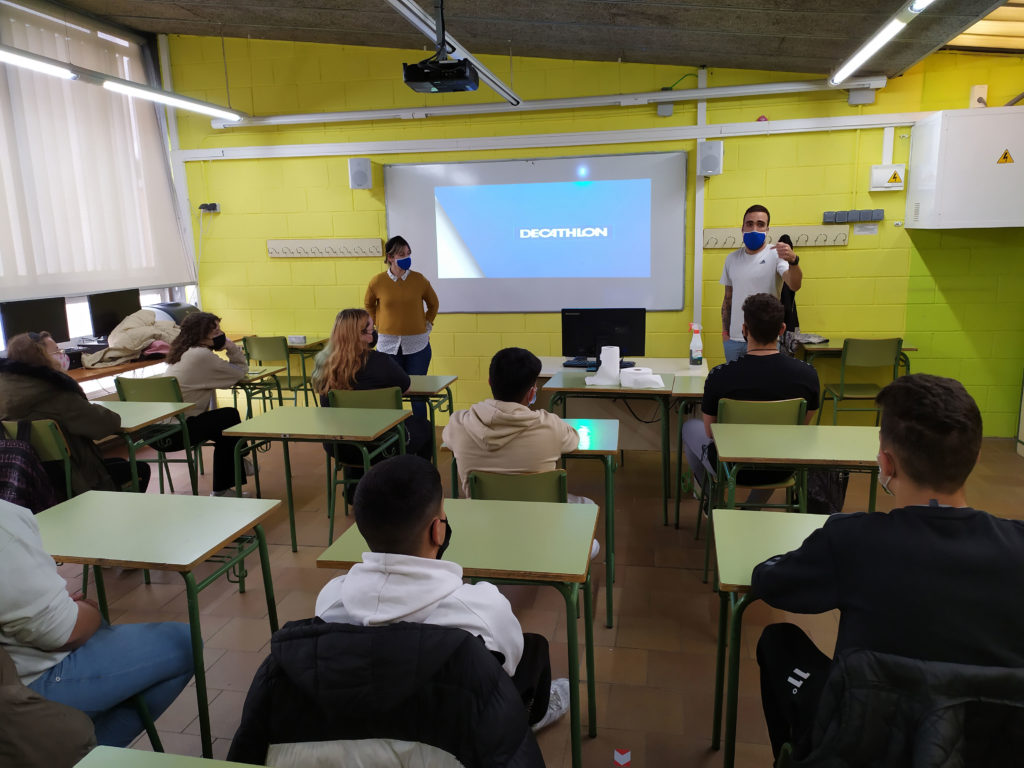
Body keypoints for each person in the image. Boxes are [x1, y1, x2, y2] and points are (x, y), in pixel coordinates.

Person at [750, 374, 1024, 759]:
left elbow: (770, 583)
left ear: (886, 463)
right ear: (975, 458)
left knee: (778, 642)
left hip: (860, 742)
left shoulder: (851, 540)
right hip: (983, 746)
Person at [315, 454, 570, 731]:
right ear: (437, 531)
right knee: (533, 650)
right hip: (456, 733)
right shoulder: (481, 610)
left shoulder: (330, 603)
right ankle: (534, 717)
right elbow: (510, 664)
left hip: (368, 724)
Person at [0, 498, 194, 747]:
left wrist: (59, 609)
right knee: (183, 642)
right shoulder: (5, 525)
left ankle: (75, 746)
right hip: (21, 690)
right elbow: (62, 633)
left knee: (99, 635)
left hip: (15, 675)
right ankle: (85, 755)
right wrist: (86, 611)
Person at [683, 293, 819, 505]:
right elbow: (801, 427)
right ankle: (751, 508)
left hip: (730, 466)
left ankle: (715, 502)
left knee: (689, 427)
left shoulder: (719, 376)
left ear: (744, 330)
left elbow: (710, 432)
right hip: (782, 467)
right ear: (782, 329)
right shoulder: (808, 375)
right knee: (779, 443)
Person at [0, 331, 151, 497]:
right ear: (42, 357)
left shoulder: (6, 395)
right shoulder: (56, 394)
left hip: (33, 482)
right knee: (140, 470)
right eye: (56, 352)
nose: (61, 355)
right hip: (74, 483)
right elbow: (107, 424)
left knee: (118, 462)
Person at [310, 307, 433, 461]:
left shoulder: (323, 364)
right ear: (362, 335)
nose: (375, 333)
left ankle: (357, 476)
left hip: (340, 447)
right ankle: (415, 473)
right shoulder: (381, 361)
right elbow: (406, 387)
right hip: (383, 445)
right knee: (425, 426)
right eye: (372, 329)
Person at [163, 312, 250, 496]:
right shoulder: (201, 355)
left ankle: (238, 462)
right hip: (177, 432)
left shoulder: (182, 352)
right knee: (229, 417)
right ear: (200, 334)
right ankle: (229, 477)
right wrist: (231, 347)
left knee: (224, 425)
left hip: (158, 433)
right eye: (215, 331)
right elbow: (240, 372)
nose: (221, 334)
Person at [364, 235, 439, 420]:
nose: (407, 258)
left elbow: (433, 304)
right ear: (390, 257)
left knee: (417, 395)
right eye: (402, 254)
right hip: (387, 346)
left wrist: (427, 324)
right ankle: (394, 431)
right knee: (390, 393)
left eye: (408, 253)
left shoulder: (419, 280)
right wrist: (377, 323)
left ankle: (420, 432)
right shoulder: (377, 282)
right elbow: (368, 305)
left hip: (417, 346)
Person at [720, 204, 803, 362]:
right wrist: (725, 333)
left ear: (767, 229)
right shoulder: (732, 259)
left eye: (760, 224)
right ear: (742, 228)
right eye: (749, 224)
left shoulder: (776, 255)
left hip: (766, 341)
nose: (754, 229)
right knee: (734, 378)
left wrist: (794, 261)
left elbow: (794, 285)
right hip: (734, 340)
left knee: (765, 378)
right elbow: (727, 299)